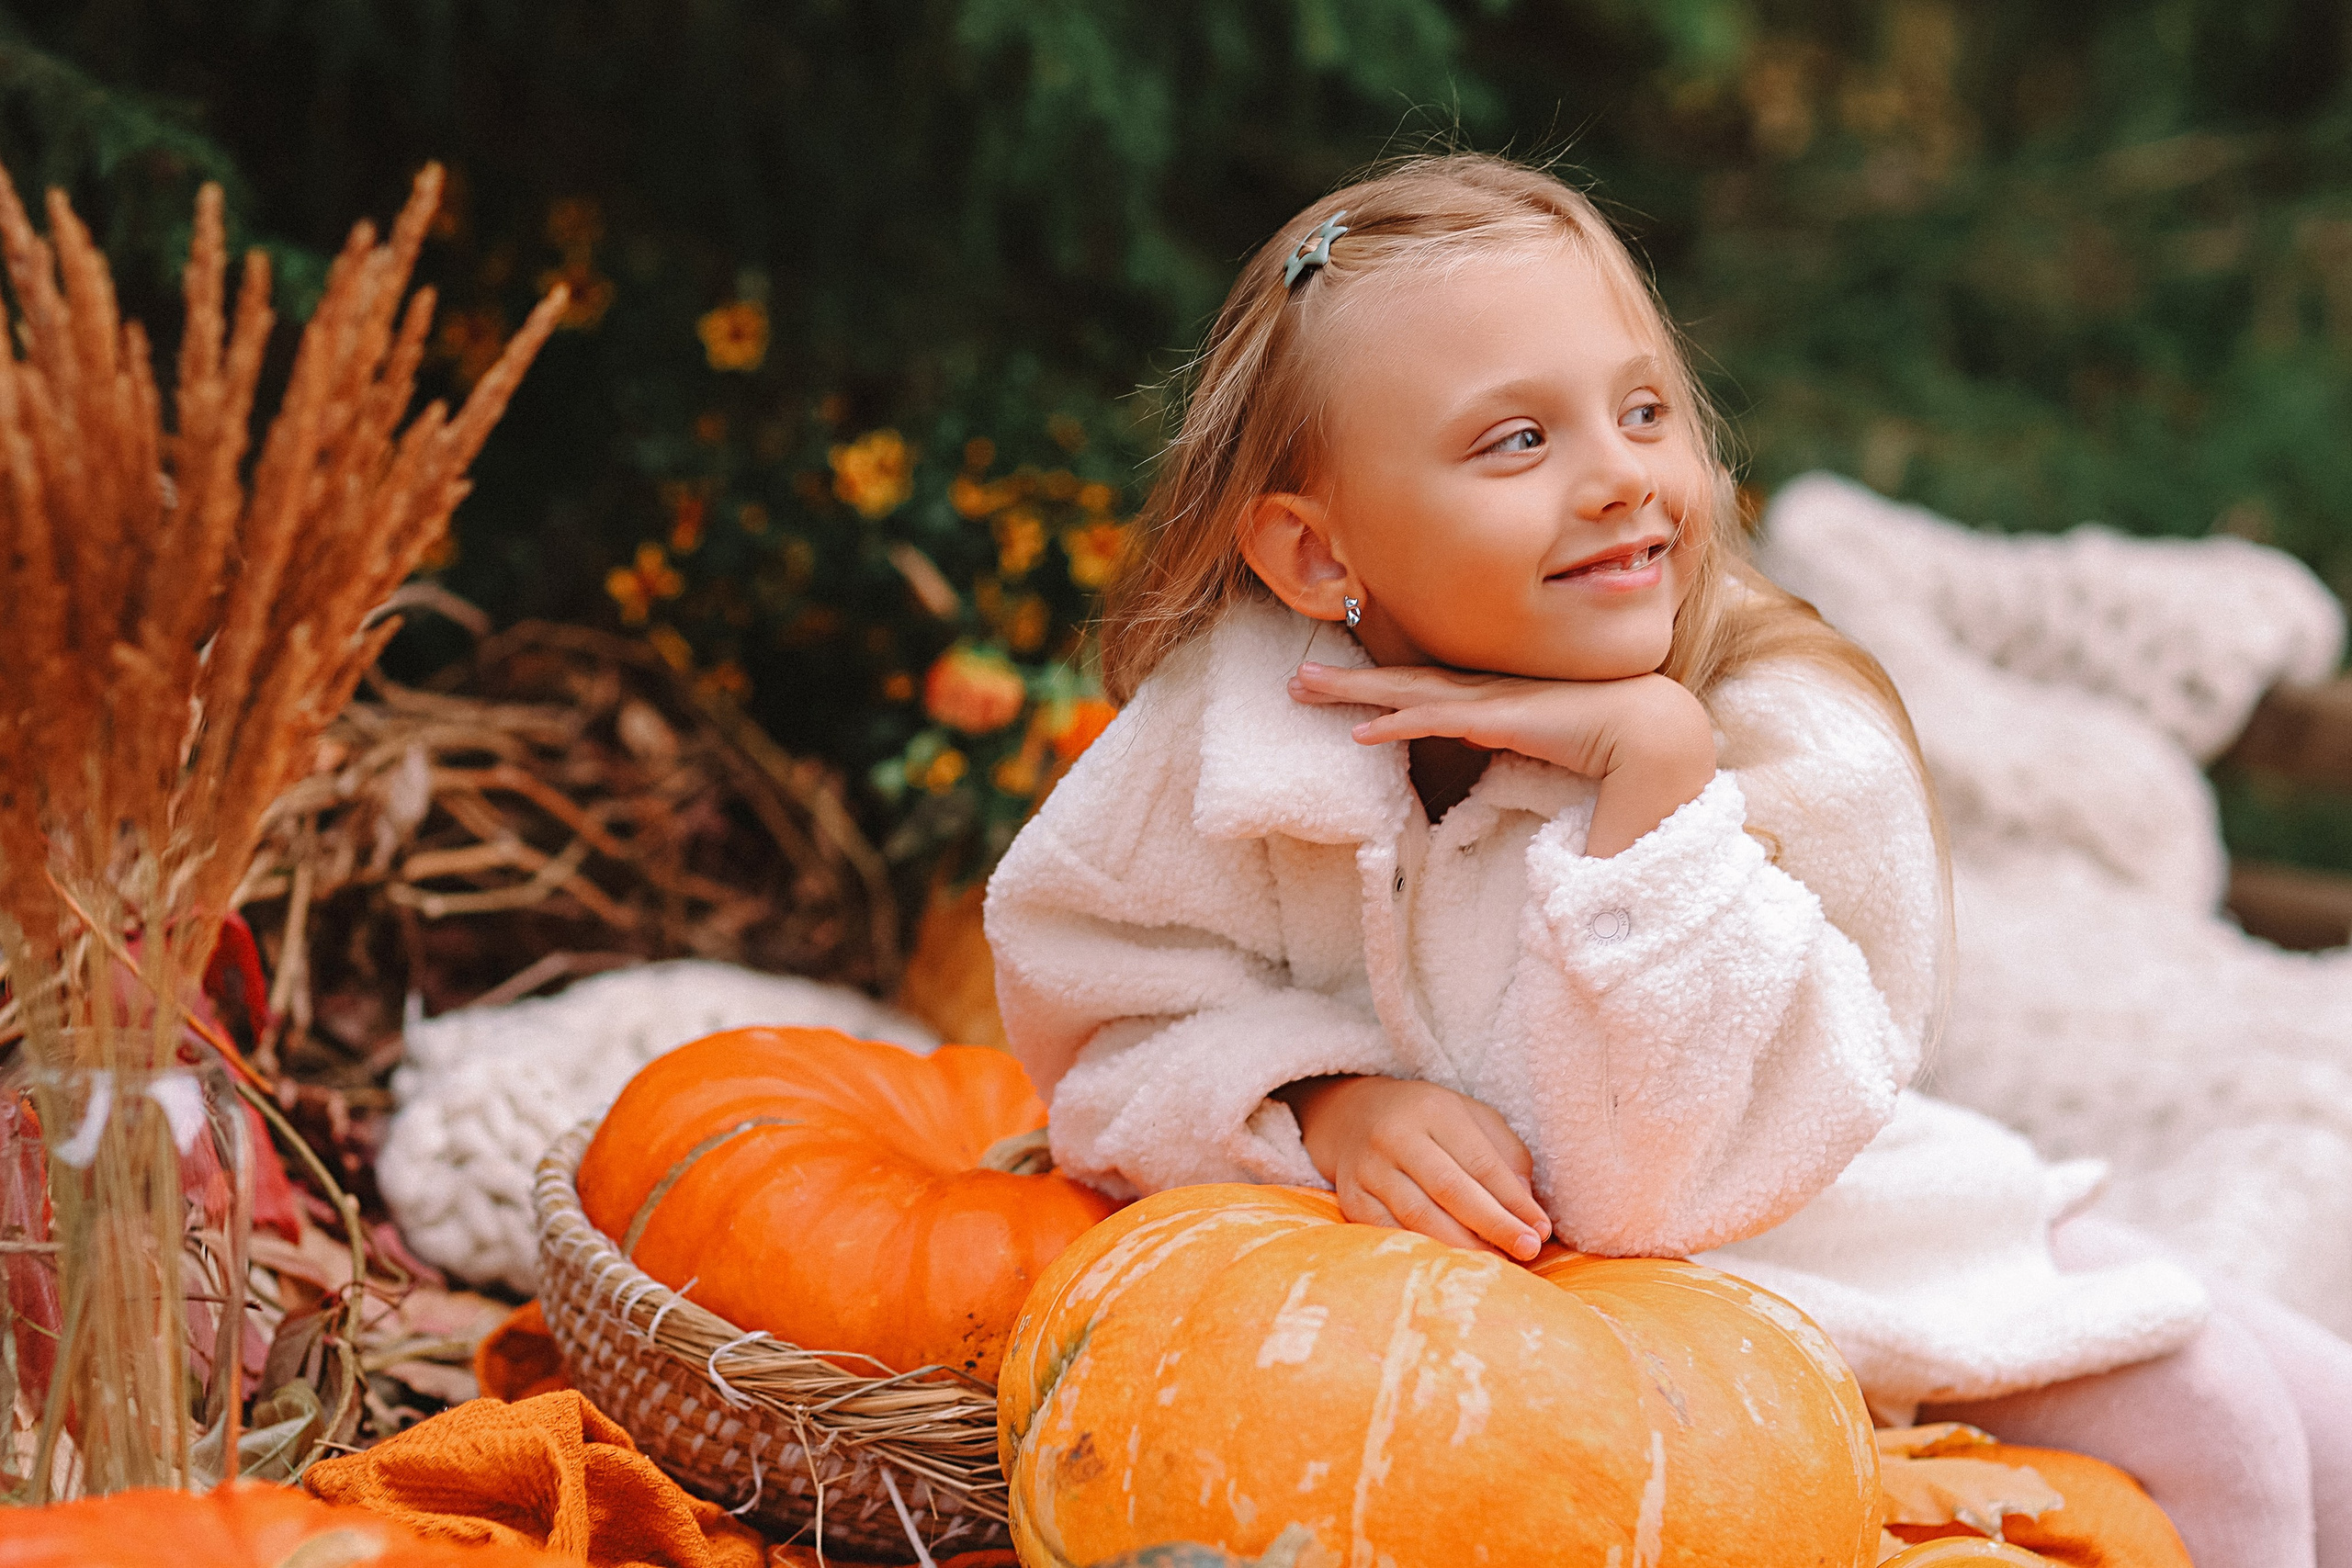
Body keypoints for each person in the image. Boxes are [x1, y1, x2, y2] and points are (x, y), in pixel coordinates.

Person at [983, 151, 2351, 1565]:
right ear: (1317, 557)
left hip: (1827, 1242)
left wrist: (1653, 781)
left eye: (1642, 412)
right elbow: (1096, 1000)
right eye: (1516, 441)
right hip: (1528, 1347)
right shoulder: (1236, 735)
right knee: (2239, 1418)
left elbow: (1655, 1193)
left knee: (2276, 1417)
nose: (1618, 477)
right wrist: (1316, 1100)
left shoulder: (1788, 736)